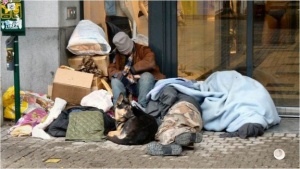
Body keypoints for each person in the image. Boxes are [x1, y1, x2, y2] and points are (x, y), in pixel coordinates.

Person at [108, 32, 165, 108]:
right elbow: (111, 70)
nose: (127, 52)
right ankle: (119, 108)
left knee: (146, 76)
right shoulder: (118, 55)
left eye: (128, 50)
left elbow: (150, 62)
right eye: (124, 52)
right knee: (115, 80)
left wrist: (132, 70)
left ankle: (142, 107)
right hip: (128, 86)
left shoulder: (142, 49)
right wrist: (122, 74)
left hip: (143, 86)